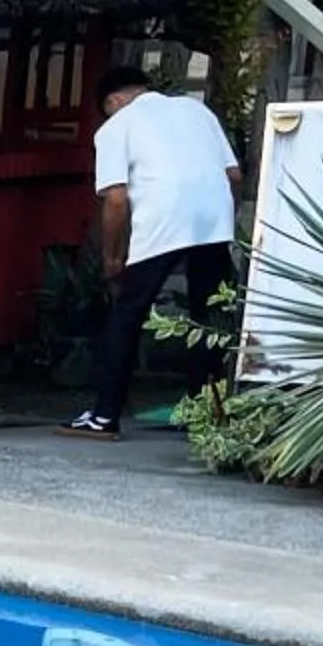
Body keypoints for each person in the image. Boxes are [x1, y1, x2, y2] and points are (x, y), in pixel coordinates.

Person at [61, 66, 240, 440]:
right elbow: (234, 175)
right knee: (210, 318)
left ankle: (104, 416)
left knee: (126, 315)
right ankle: (203, 408)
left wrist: (112, 257)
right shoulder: (196, 111)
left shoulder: (116, 126)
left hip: (163, 220)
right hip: (214, 218)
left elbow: (115, 198)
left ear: (114, 101)